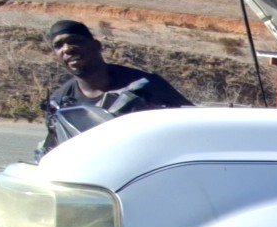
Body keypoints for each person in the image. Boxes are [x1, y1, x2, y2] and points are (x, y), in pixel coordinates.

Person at [38, 19, 192, 158]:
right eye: (58, 46)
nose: (67, 49)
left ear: (97, 46)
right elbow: (53, 151)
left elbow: (192, 125)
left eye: (75, 41)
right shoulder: (60, 102)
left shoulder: (144, 86)